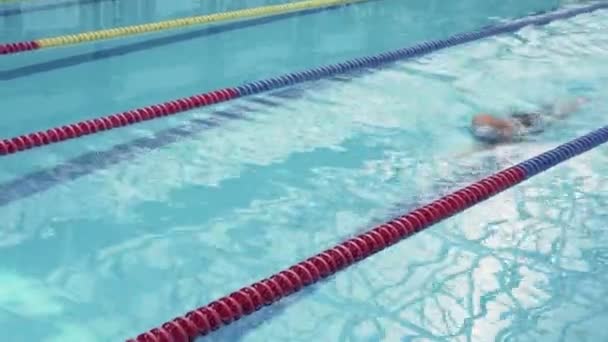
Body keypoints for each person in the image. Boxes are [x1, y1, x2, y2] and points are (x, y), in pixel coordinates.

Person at [470, 97, 589, 144]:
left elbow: (480, 118)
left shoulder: (485, 130)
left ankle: (579, 102)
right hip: (523, 124)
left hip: (530, 123)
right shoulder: (489, 138)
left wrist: (507, 126)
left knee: (556, 116)